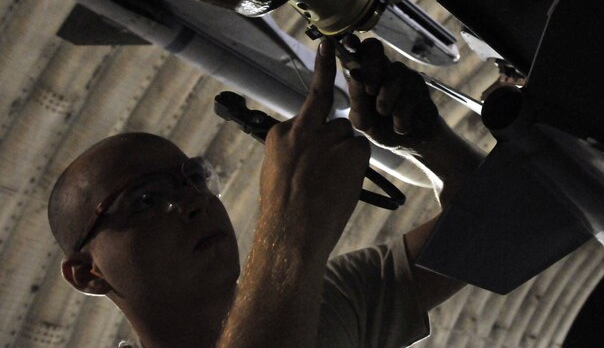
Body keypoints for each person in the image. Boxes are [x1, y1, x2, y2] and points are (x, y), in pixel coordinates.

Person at [47, 36, 485, 348]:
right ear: (88, 273)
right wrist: (291, 223)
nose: (193, 203)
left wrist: (427, 142)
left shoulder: (324, 302)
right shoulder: (303, 285)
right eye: (145, 200)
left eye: (193, 179)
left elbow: (488, 226)